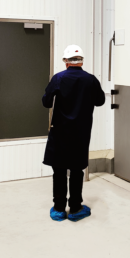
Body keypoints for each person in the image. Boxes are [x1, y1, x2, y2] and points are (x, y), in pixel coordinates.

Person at [42, 44, 105, 222]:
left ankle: (59, 209)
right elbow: (100, 101)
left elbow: (46, 102)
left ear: (66, 61)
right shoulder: (91, 80)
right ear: (81, 61)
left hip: (60, 132)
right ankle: (76, 208)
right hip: (80, 133)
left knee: (59, 170)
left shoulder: (58, 78)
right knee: (77, 171)